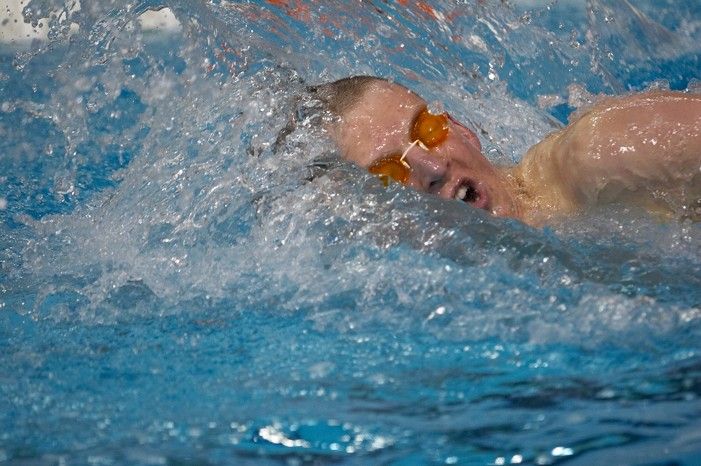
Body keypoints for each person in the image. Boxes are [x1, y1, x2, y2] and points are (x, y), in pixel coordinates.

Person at [310, 76, 701, 226]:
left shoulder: (597, 155)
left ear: (462, 130)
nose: (431, 167)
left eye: (426, 130)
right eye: (389, 174)